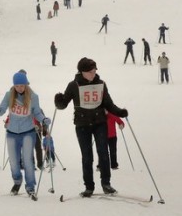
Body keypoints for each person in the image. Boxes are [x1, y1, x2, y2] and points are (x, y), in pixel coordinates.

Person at [54, 57, 128, 197]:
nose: (93, 74)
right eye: (90, 71)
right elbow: (63, 105)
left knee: (103, 153)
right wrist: (59, 101)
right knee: (87, 156)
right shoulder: (73, 85)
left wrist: (119, 112)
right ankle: (89, 187)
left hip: (100, 123)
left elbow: (108, 104)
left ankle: (106, 184)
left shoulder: (101, 84)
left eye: (94, 71)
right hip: (82, 125)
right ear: (82, 71)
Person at [0, 72, 50, 196]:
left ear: (26, 84)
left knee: (27, 160)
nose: (19, 88)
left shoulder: (33, 96)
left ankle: (30, 186)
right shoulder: (9, 95)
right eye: (17, 86)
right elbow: (2, 109)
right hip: (12, 133)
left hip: (28, 132)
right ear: (14, 85)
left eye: (22, 85)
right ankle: (17, 181)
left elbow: (37, 113)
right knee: (14, 161)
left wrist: (43, 119)